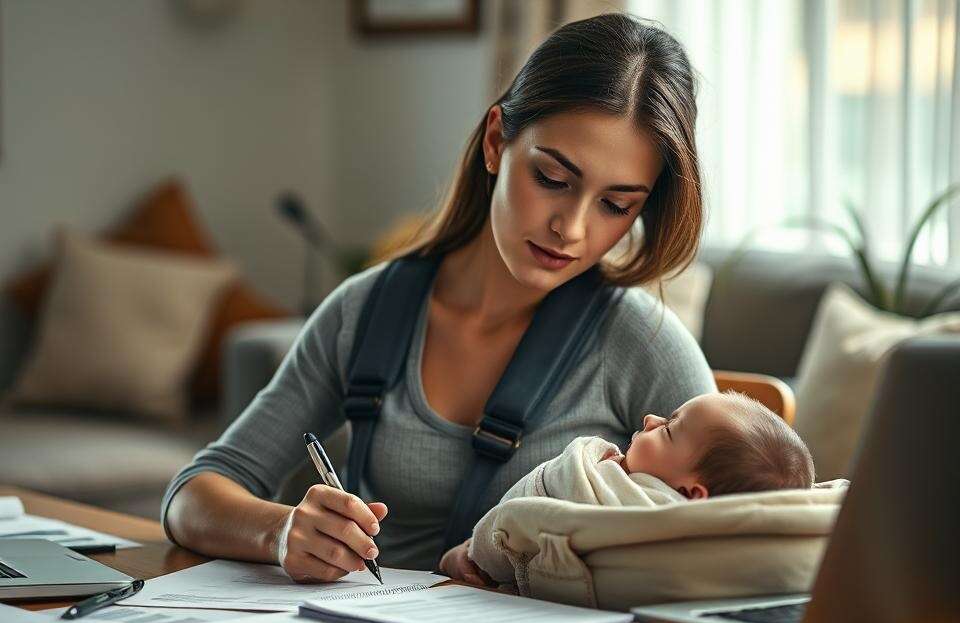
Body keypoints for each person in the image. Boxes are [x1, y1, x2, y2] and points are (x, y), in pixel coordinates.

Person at [162, 13, 716, 583]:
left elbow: (738, 536)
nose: (571, 229)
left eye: (616, 205)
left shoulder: (643, 342)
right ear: (498, 142)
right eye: (552, 178)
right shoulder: (367, 311)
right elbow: (193, 495)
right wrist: (280, 532)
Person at [452, 392, 816, 585]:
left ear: (691, 495)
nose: (651, 419)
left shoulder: (595, 479)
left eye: (669, 429)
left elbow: (510, 525)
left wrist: (472, 554)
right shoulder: (731, 555)